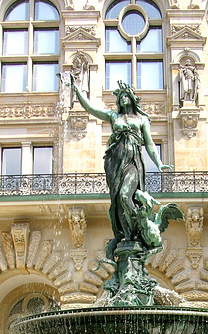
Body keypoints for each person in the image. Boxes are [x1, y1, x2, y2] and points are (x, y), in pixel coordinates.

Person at [70, 77, 172, 260]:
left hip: (133, 160)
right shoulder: (113, 116)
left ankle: (137, 227)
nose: (123, 98)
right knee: (117, 200)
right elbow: (91, 109)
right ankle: (125, 233)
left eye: (126, 95)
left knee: (126, 195)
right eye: (121, 96)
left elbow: (149, 144)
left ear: (132, 98)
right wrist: (77, 92)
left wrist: (159, 163)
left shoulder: (141, 119)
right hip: (115, 161)